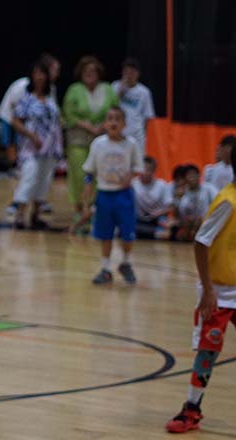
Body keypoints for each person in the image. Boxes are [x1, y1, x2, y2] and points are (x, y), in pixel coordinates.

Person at [165, 177, 236, 433]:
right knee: (208, 350)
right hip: (219, 292)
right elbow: (201, 242)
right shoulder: (228, 201)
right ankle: (191, 409)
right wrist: (207, 289)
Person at [79, 106, 142, 285]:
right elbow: (89, 173)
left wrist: (128, 178)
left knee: (127, 233)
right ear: (105, 123)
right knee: (105, 234)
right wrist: (86, 201)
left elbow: (137, 168)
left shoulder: (131, 144)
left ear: (124, 123)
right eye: (110, 119)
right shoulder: (98, 144)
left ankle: (126, 263)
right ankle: (106, 269)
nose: (113, 122)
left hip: (123, 195)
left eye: (117, 119)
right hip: (104, 195)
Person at [63, 56, 119, 224]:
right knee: (79, 175)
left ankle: (95, 210)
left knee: (99, 175)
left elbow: (115, 110)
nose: (90, 74)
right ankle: (79, 209)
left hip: (102, 138)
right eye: (86, 71)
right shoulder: (74, 89)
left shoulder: (108, 89)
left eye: (93, 71)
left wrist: (103, 125)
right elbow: (68, 114)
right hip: (78, 139)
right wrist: (87, 126)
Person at [10, 60, 63, 229]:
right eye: (36, 73)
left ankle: (35, 214)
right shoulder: (27, 99)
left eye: (42, 73)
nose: (40, 77)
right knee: (29, 177)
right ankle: (19, 215)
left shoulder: (50, 100)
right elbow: (15, 121)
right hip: (32, 147)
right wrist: (31, 135)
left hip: (50, 148)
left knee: (44, 180)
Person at [113, 58, 155, 157]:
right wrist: (120, 92)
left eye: (132, 72)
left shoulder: (144, 92)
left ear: (138, 74)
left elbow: (148, 117)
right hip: (118, 134)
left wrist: (141, 132)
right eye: (126, 72)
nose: (129, 75)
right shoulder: (115, 86)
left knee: (136, 162)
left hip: (136, 136)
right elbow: (111, 108)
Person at [132, 156, 173, 239]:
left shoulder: (162, 185)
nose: (145, 172)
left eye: (149, 170)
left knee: (167, 225)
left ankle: (151, 233)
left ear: (154, 171)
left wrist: (157, 213)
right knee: (126, 226)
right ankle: (155, 233)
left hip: (157, 219)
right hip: (138, 219)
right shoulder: (133, 184)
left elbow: (170, 206)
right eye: (143, 169)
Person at [175, 164, 218, 241]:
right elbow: (181, 215)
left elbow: (218, 203)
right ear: (185, 179)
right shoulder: (183, 194)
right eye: (189, 175)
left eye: (194, 174)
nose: (192, 177)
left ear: (199, 176)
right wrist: (178, 200)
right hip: (191, 225)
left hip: (209, 223)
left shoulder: (209, 188)